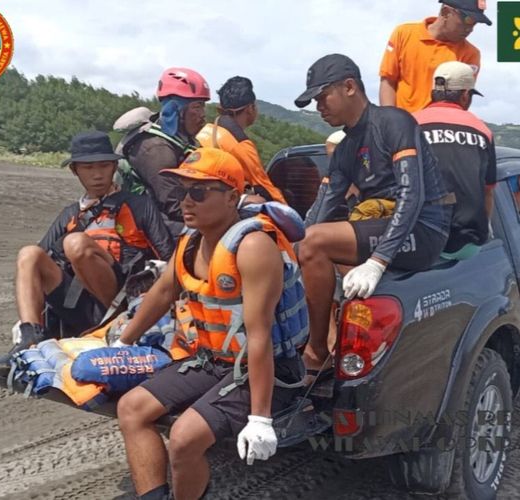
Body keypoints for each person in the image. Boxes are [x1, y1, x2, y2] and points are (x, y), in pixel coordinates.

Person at [115, 147, 308, 500]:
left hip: (265, 371)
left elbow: (260, 334)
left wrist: (261, 419)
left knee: (184, 438)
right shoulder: (190, 241)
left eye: (199, 192)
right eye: (182, 191)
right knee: (131, 409)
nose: (186, 201)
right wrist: (123, 343)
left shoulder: (252, 247)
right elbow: (161, 293)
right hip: (213, 359)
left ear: (232, 196)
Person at [294, 53, 453, 378]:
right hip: (383, 228)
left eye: (323, 97)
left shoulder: (394, 122)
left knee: (315, 244)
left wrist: (378, 260)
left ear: (349, 86)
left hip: (424, 230)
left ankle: (316, 352)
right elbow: (320, 213)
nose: (318, 107)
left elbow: (413, 194)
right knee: (309, 247)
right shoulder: (343, 151)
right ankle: (339, 345)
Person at [0, 131, 175, 369]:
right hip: (79, 306)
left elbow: (170, 259)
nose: (97, 174)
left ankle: (113, 325)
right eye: (88, 167)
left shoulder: (139, 205)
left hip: (124, 305)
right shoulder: (71, 214)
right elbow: (39, 261)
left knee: (75, 243)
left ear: (114, 166)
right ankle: (30, 340)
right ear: (75, 170)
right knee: (28, 254)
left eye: (104, 166)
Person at [413, 61, 496, 257]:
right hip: (466, 243)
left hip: (418, 237)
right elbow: (488, 192)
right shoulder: (482, 131)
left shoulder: (410, 123)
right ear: (465, 95)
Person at [121, 67, 210, 236]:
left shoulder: (184, 141)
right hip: (148, 224)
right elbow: (174, 204)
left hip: (170, 216)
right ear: (177, 110)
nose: (203, 115)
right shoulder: (155, 148)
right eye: (197, 107)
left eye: (203, 107)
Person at [379, 0, 491, 113]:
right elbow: (388, 80)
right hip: (402, 124)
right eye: (467, 20)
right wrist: (390, 121)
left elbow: (463, 98)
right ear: (446, 12)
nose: (470, 29)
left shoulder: (470, 54)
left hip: (438, 126)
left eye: (475, 23)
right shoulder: (404, 33)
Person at [197, 76, 286, 204]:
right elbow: (264, 187)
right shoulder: (239, 144)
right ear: (250, 108)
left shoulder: (207, 131)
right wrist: (287, 213)